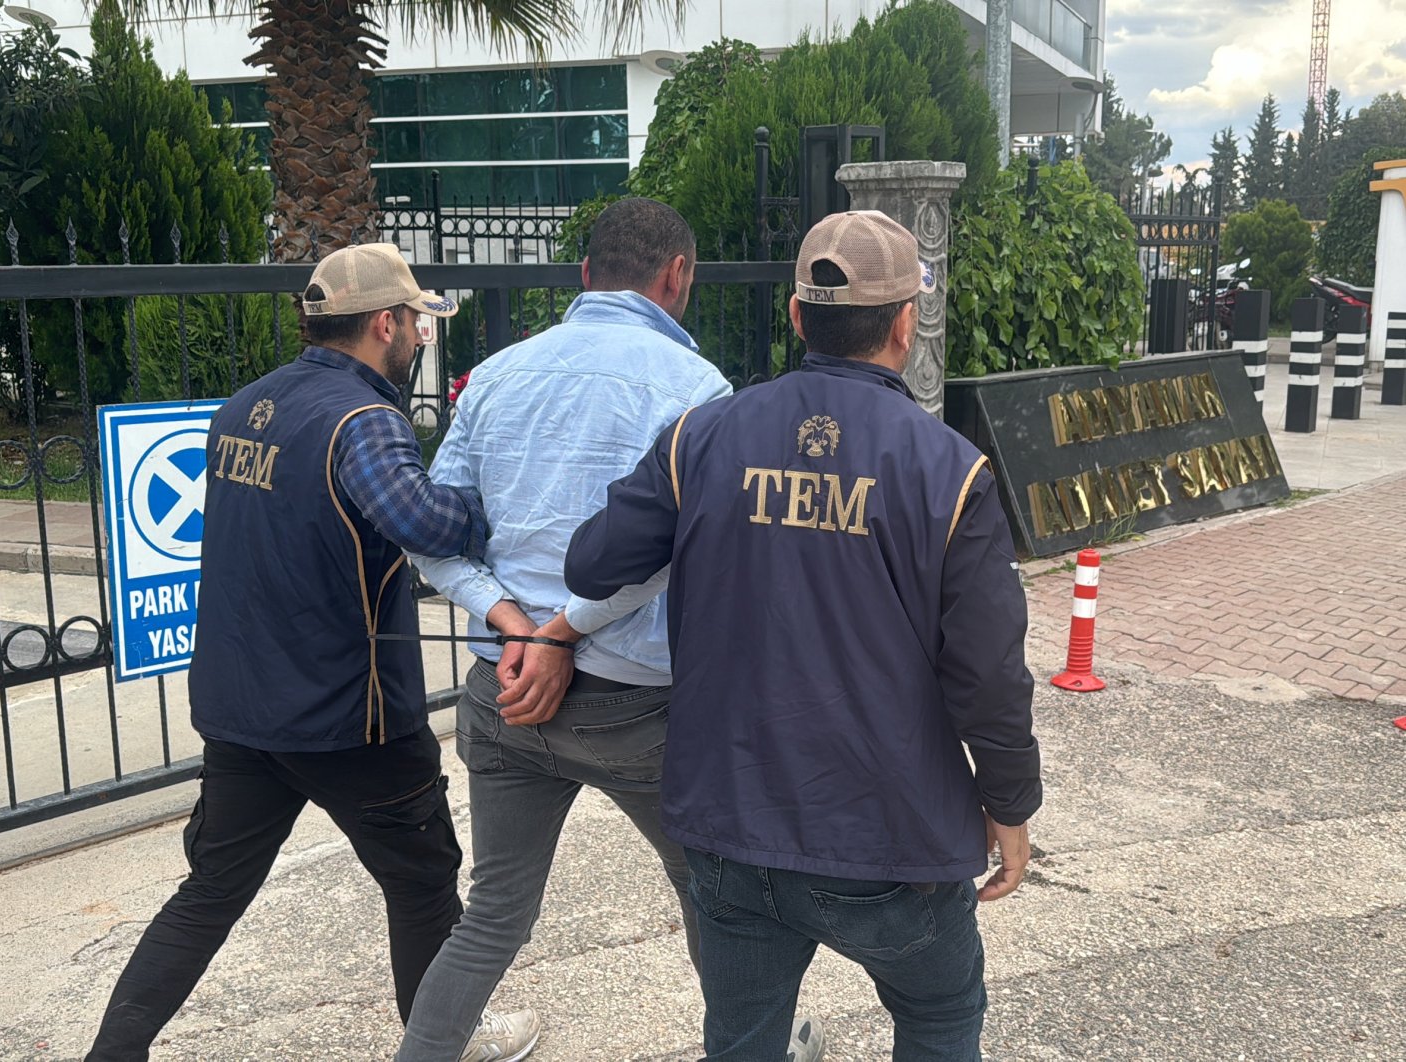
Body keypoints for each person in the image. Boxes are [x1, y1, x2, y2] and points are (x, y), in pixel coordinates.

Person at [564, 211, 1043, 1062]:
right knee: (937, 1017)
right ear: (906, 321)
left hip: (729, 824)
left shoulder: (701, 436)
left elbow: (593, 562)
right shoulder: (949, 470)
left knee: (743, 1042)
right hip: (890, 836)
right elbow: (987, 676)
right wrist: (1009, 804)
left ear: (795, 316)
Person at [399, 198, 825, 1062]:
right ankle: (760, 1050)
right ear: (678, 276)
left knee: (492, 917)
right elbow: (670, 554)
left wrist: (517, 622)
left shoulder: (495, 374)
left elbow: (431, 535)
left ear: (585, 274)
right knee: (717, 895)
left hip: (504, 690)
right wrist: (562, 629)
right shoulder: (697, 392)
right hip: (635, 707)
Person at [85, 243, 526, 1060]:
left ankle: (112, 1053)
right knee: (423, 882)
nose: (422, 340)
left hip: (240, 709)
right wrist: (483, 502)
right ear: (385, 323)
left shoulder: (244, 406)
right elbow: (423, 522)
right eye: (417, 325)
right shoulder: (363, 421)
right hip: (345, 717)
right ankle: (440, 1043)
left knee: (211, 890)